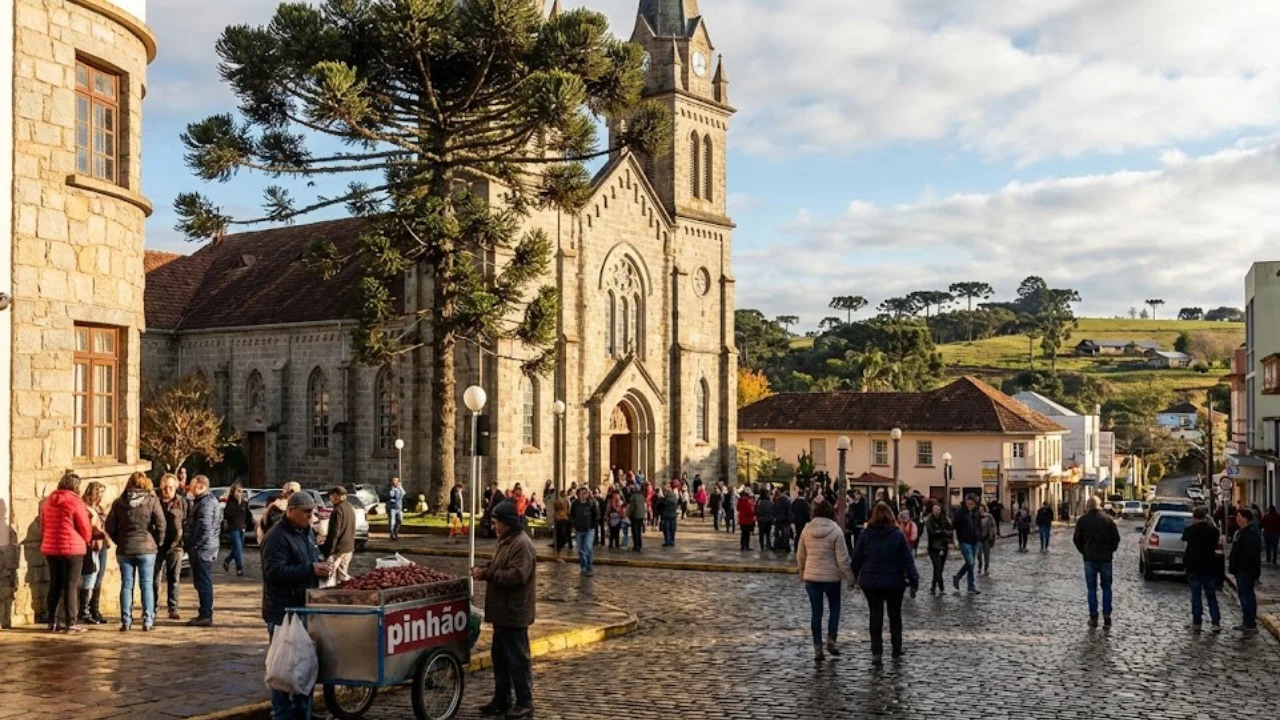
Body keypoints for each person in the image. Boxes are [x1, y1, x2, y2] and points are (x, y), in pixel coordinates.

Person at [262, 491, 332, 720]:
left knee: (304, 664)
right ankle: (282, 713)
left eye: (312, 512)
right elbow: (275, 573)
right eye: (306, 512)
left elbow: (312, 556)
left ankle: (303, 711)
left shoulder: (306, 533)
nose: (310, 517)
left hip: (305, 607)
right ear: (290, 511)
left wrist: (321, 566)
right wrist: (310, 569)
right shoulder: (276, 537)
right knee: (284, 665)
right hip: (283, 611)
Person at [471, 501, 537, 719]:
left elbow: (517, 576)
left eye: (496, 521)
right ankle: (502, 698)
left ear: (507, 523)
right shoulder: (505, 541)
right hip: (502, 611)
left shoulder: (521, 544)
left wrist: (489, 575)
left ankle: (525, 701)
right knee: (499, 657)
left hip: (514, 612)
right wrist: (485, 569)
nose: (494, 525)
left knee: (517, 658)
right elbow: (499, 566)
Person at [851, 502, 920, 659]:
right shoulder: (897, 535)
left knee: (875, 615)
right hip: (894, 582)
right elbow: (908, 560)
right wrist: (914, 580)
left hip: (871, 581)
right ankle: (896, 649)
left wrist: (852, 578)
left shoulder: (866, 534)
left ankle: (877, 650)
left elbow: (857, 558)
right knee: (895, 615)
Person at [105, 471, 166, 632]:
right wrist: (157, 542)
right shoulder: (151, 500)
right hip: (146, 547)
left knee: (126, 585)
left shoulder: (119, 502)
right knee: (146, 585)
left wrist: (120, 540)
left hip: (125, 548)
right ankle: (148, 620)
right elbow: (161, 523)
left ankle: (126, 621)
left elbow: (109, 527)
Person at [796, 501, 855, 661]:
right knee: (834, 608)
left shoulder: (806, 529)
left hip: (812, 577)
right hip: (831, 577)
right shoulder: (836, 531)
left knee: (816, 612)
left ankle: (817, 648)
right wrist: (850, 579)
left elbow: (800, 555)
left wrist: (802, 573)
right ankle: (831, 640)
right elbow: (843, 559)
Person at [41, 471, 93, 633]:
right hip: (72, 549)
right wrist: (88, 538)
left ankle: (52, 621)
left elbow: (43, 524)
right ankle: (71, 622)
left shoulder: (49, 501)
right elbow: (84, 527)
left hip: (51, 548)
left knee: (55, 584)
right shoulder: (75, 502)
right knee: (71, 585)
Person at [1072, 496, 1121, 628]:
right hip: (1105, 559)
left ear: (1088, 506)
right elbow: (1116, 538)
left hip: (1090, 559)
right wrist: (1110, 551)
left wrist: (1084, 551)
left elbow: (1077, 539)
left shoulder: (1083, 521)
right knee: (1106, 588)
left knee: (1091, 589)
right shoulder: (1108, 520)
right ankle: (1107, 616)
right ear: (1100, 505)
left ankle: (1093, 617)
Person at [184, 475, 223, 626]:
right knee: (202, 581)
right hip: (207, 546)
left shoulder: (206, 503)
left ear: (200, 485)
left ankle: (206, 614)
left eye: (192, 485)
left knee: (203, 581)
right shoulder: (207, 501)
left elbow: (205, 527)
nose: (189, 488)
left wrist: (194, 544)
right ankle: (204, 612)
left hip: (203, 548)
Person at [1181, 506, 1222, 632]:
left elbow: (1184, 540)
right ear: (1205, 517)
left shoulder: (1189, 530)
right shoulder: (1213, 531)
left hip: (1193, 566)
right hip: (1209, 566)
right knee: (1211, 596)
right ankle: (1216, 622)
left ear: (1194, 518)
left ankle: (1197, 622)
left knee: (1196, 596)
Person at [155, 473, 189, 621]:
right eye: (164, 487)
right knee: (154, 578)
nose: (167, 490)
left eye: (170, 487)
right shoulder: (154, 501)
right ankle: (153, 607)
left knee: (174, 577)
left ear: (176, 487)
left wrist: (183, 540)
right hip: (156, 545)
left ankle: (173, 608)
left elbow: (187, 522)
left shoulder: (182, 503)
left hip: (176, 546)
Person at [1229, 508, 1262, 633]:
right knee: (1244, 597)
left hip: (1246, 571)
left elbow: (1250, 553)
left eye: (1240, 516)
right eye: (1237, 516)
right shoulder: (1243, 531)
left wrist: (1241, 566)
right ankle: (1247, 622)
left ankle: (1250, 623)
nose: (1238, 518)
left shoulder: (1251, 533)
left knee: (1246, 597)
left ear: (1247, 518)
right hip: (1242, 570)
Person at [321, 486, 357, 583]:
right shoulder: (349, 506)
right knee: (342, 575)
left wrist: (329, 551)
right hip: (349, 546)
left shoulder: (338, 510)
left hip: (339, 548)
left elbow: (335, 532)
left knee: (333, 576)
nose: (330, 499)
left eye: (331, 496)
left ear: (336, 496)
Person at [951, 496, 982, 594]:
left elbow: (978, 525)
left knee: (971, 564)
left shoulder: (976, 512)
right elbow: (954, 524)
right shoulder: (960, 512)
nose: (971, 505)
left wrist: (979, 535)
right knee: (971, 562)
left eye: (972, 504)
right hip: (964, 541)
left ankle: (970, 586)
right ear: (966, 502)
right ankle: (960, 578)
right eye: (969, 503)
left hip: (975, 540)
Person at [923, 503, 952, 595]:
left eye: (938, 509)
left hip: (943, 546)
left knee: (940, 568)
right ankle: (940, 587)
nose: (936, 511)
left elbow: (950, 530)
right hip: (933, 547)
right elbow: (931, 532)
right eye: (935, 509)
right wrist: (941, 532)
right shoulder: (929, 519)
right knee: (937, 567)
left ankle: (934, 587)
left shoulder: (945, 519)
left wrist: (943, 533)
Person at [222, 481, 249, 576]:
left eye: (241, 491)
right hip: (233, 528)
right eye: (237, 491)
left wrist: (250, 524)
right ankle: (239, 568)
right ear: (233, 492)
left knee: (238, 549)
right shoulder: (230, 503)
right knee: (238, 548)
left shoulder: (244, 503)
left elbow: (247, 515)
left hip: (242, 528)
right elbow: (227, 515)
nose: (239, 493)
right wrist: (237, 504)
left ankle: (227, 560)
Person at [571, 486, 600, 575]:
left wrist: (593, 525)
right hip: (579, 529)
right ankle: (583, 566)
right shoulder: (575, 504)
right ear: (578, 494)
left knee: (588, 547)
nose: (583, 495)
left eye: (585, 493)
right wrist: (574, 524)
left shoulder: (592, 503)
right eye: (582, 493)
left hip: (589, 529)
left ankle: (589, 567)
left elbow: (597, 515)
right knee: (580, 549)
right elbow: (572, 515)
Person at [626, 483, 648, 552]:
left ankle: (636, 546)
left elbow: (632, 508)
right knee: (638, 531)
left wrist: (629, 515)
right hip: (641, 516)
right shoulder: (642, 496)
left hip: (635, 516)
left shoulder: (633, 496)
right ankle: (639, 544)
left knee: (635, 531)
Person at [552, 491, 572, 562]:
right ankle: (558, 555)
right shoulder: (559, 502)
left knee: (565, 537)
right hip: (561, 522)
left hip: (565, 521)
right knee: (562, 538)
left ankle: (558, 554)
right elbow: (556, 515)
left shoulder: (566, 502)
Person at [977, 504, 996, 574]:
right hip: (978, 538)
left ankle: (986, 567)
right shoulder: (976, 517)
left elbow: (993, 525)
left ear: (984, 509)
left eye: (982, 509)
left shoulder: (989, 516)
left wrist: (993, 534)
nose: (980, 510)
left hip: (987, 537)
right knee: (978, 554)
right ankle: (980, 565)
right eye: (979, 509)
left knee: (986, 554)